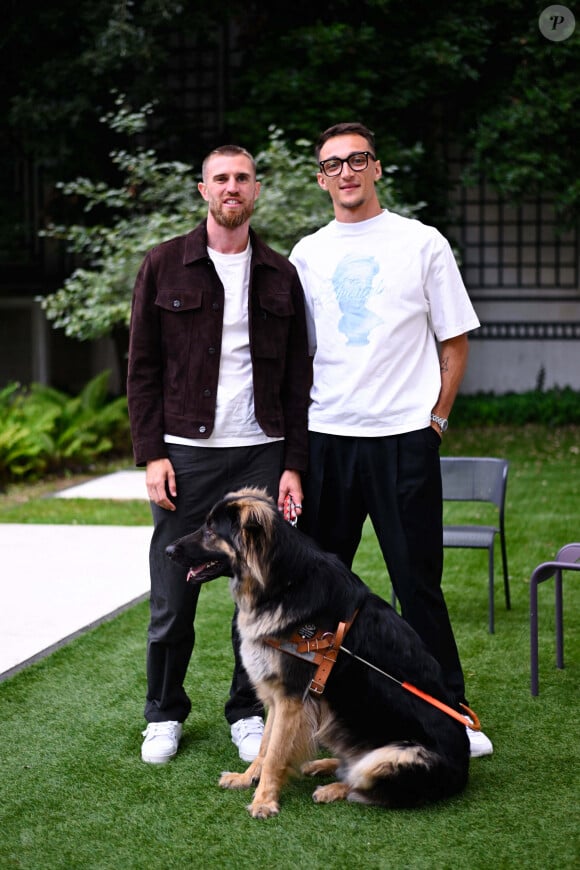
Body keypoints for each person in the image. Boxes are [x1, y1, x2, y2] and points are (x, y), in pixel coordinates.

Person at [289, 122, 493, 757]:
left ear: (377, 168)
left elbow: (454, 340)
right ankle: (316, 716)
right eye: (332, 164)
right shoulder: (306, 254)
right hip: (327, 439)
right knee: (317, 591)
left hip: (403, 439)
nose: (346, 172)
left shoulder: (421, 242)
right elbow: (296, 355)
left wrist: (436, 420)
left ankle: (449, 712)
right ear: (320, 178)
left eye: (358, 160)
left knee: (417, 583)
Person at [127, 144, 311, 765]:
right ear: (202, 190)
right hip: (187, 454)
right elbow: (142, 369)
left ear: (256, 190)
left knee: (257, 593)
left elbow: (296, 380)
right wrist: (151, 454)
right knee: (173, 593)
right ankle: (163, 713)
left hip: (260, 453)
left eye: (243, 178)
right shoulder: (163, 266)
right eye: (220, 178)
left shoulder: (281, 274)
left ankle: (245, 711)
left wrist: (292, 463)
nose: (232, 187)